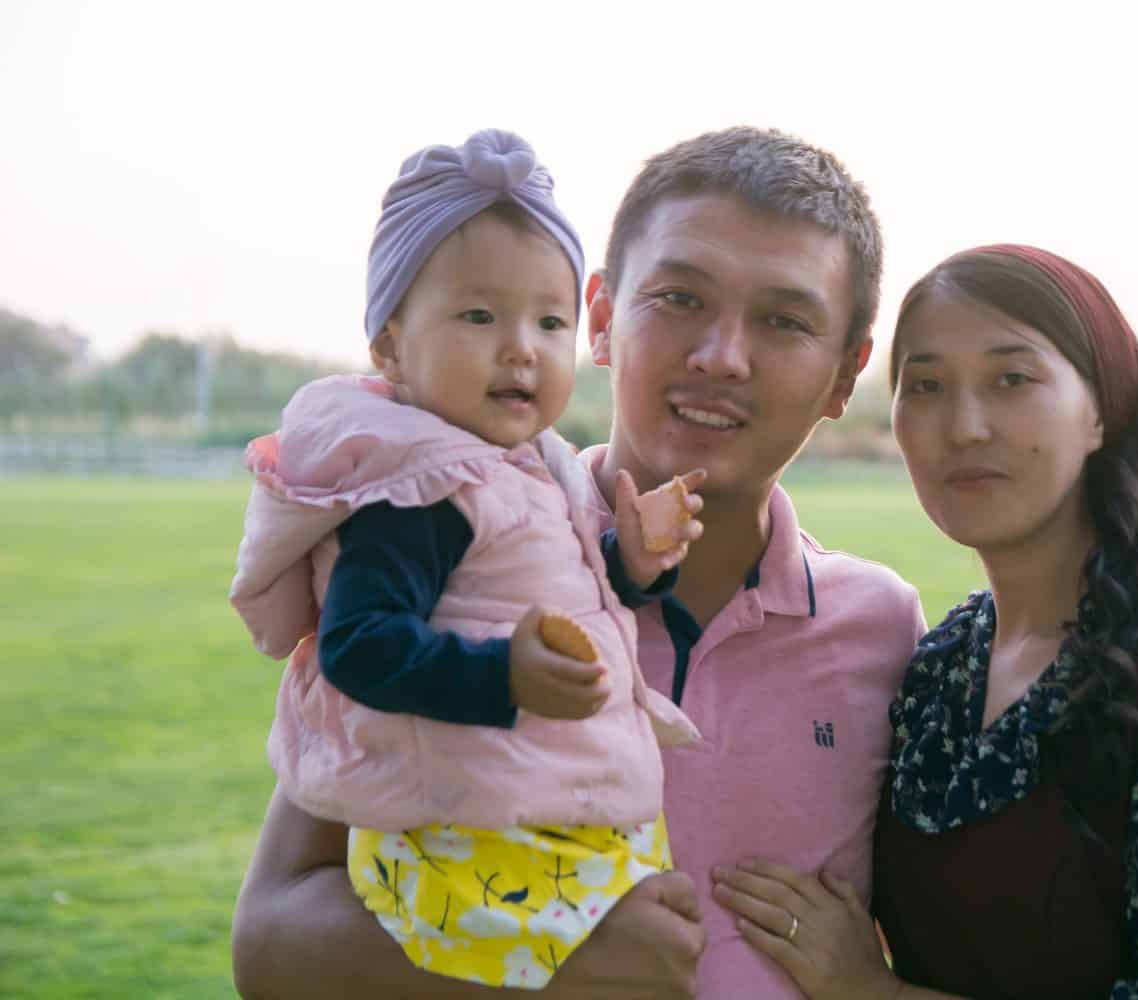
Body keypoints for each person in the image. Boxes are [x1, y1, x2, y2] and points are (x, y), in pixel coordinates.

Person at [229, 127, 928, 998]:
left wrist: (875, 986)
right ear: (599, 318)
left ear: (843, 376)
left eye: (785, 321)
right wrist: (553, 985)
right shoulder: (470, 551)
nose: (722, 356)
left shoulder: (886, 632)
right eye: (680, 298)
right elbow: (271, 941)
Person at [712, 245, 1138, 998]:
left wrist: (873, 993)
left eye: (1011, 379)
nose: (965, 426)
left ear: (1102, 410)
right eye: (928, 385)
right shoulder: (940, 664)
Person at [228, 128, 708, 988]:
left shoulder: (520, 466)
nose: (521, 345)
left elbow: (528, 580)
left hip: (530, 812)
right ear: (389, 346)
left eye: (549, 320)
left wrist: (631, 562)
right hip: (470, 834)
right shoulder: (419, 492)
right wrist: (502, 676)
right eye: (479, 316)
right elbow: (359, 645)